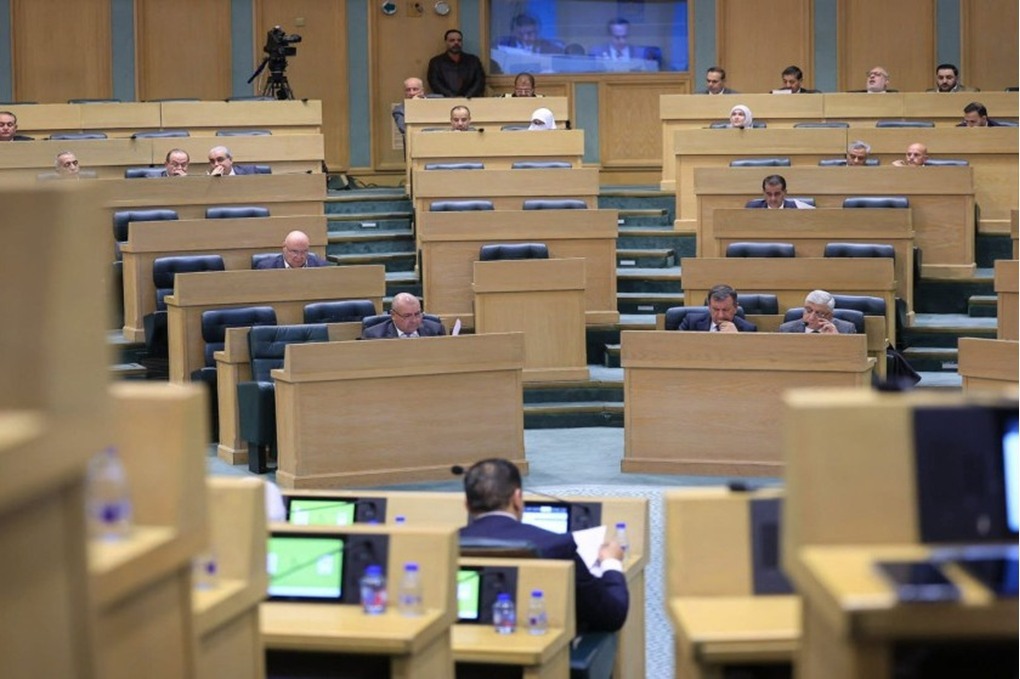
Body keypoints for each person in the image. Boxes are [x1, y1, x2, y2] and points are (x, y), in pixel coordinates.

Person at [458, 458, 629, 634]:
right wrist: (611, 562)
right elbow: (611, 616)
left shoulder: (447, 546)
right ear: (517, 498)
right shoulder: (558, 545)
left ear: (466, 504)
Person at [427, 29, 486, 98]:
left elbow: (479, 82)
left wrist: (467, 96)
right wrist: (452, 96)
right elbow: (435, 83)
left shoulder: (473, 61)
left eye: (459, 40)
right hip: (445, 100)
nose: (456, 43)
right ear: (446, 42)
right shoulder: (436, 62)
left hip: (470, 100)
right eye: (452, 40)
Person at [361, 292, 445, 339]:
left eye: (417, 314)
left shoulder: (436, 330)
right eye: (407, 316)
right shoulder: (375, 335)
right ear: (393, 315)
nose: (414, 320)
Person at [678, 284, 758, 333]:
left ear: (735, 308)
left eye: (725, 310)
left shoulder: (748, 329)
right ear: (709, 307)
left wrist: (736, 338)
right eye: (716, 309)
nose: (720, 315)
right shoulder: (690, 323)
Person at [588, 18, 662, 69]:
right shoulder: (597, 53)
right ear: (609, 36)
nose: (622, 41)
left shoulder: (640, 53)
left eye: (624, 37)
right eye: (617, 37)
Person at [779, 290, 857, 334]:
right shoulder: (786, 330)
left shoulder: (846, 330)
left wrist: (837, 339)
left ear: (830, 316)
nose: (811, 317)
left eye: (819, 313)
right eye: (808, 311)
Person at [255, 230, 328, 269]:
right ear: (284, 248)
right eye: (294, 251)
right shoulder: (267, 268)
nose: (299, 256)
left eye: (304, 252)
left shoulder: (321, 267)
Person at [497, 14, 563, 54]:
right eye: (520, 34)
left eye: (530, 33)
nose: (525, 38)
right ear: (513, 33)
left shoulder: (551, 49)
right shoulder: (503, 45)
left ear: (537, 32)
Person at [745, 174, 816, 209]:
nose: (773, 199)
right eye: (769, 194)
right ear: (763, 193)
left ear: (785, 193)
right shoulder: (752, 208)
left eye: (777, 194)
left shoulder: (798, 207)